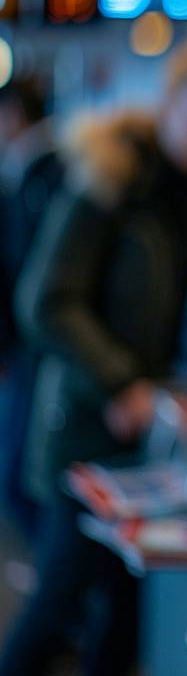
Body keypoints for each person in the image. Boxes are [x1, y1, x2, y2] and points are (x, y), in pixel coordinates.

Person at [0, 39, 187, 676]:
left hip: (163, 437)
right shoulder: (109, 179)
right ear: (171, 102)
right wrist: (120, 384)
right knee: (61, 598)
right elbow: (46, 300)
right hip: (88, 429)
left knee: (127, 612)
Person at [0, 78, 63, 539]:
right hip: (26, 343)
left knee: (21, 476)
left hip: (34, 345)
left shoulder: (47, 170)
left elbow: (28, 267)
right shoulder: (29, 168)